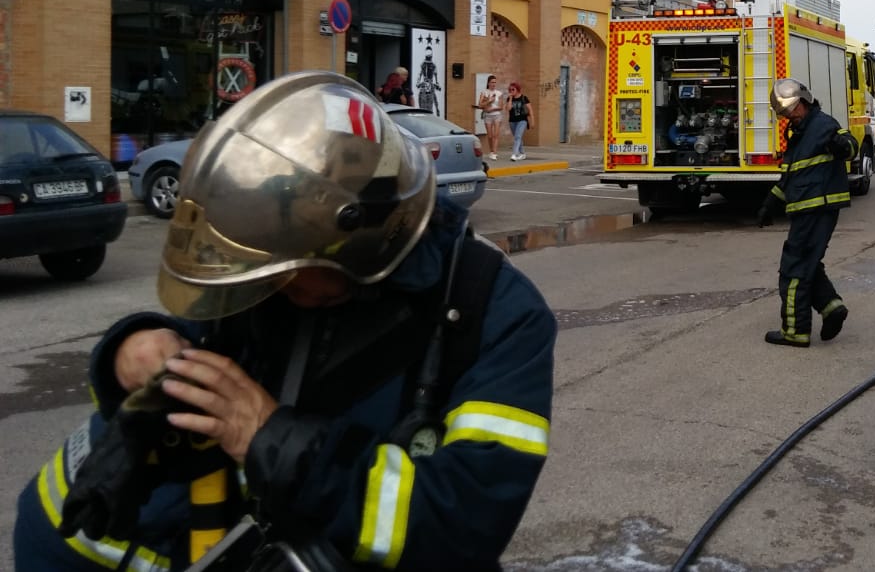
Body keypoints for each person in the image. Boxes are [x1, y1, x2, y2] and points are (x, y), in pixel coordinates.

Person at [13, 72, 557, 571]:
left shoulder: (497, 315)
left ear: (357, 241)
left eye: (284, 272)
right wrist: (130, 353)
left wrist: (273, 441)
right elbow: (188, 360)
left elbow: (463, 526)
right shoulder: (270, 283)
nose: (266, 289)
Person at [757, 78, 855, 348]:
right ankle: (831, 308)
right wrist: (770, 203)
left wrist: (842, 148)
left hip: (818, 207)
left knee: (794, 270)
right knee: (808, 263)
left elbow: (849, 144)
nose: (789, 116)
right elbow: (790, 176)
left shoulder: (823, 124)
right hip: (805, 208)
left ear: (803, 101)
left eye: (791, 110)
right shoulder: (798, 133)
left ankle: (795, 331)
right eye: (784, 113)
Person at [477, 75, 505, 160]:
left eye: (495, 82)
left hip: (496, 115)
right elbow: (480, 105)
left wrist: (492, 108)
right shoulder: (484, 92)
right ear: (488, 83)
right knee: (490, 135)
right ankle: (491, 150)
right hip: (487, 115)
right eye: (492, 82)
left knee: (495, 135)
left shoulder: (499, 93)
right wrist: (489, 101)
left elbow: (501, 107)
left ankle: (494, 153)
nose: (493, 84)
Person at [507, 82, 531, 161]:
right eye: (510, 89)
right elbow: (508, 109)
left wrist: (532, 121)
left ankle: (514, 154)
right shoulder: (509, 99)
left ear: (517, 89)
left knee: (517, 136)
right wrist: (510, 98)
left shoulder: (524, 98)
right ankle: (522, 153)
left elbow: (530, 110)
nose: (511, 91)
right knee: (517, 137)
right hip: (512, 121)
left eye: (513, 89)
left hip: (522, 120)